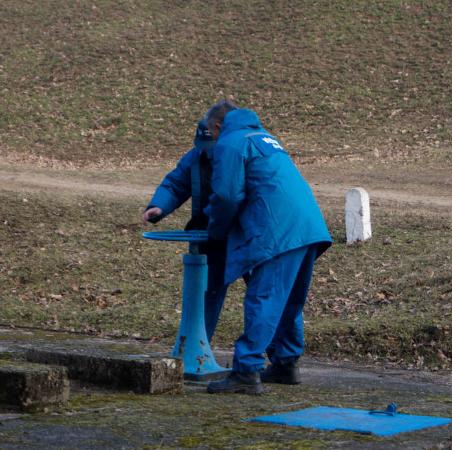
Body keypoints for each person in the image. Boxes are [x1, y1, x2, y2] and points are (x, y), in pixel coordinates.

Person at [202, 100, 333, 394]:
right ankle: (286, 364)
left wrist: (214, 231)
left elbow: (226, 196)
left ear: (219, 127)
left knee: (264, 298)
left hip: (277, 230)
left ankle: (246, 372)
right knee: (288, 300)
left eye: (210, 132)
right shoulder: (265, 138)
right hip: (307, 226)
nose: (210, 138)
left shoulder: (231, 143)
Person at [142, 119, 230, 343]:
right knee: (206, 294)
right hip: (210, 235)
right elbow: (175, 184)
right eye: (202, 145)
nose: (207, 152)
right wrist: (158, 206)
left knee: (263, 295)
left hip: (243, 235)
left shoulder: (237, 154)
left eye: (211, 145)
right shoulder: (195, 157)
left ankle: (279, 359)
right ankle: (198, 347)